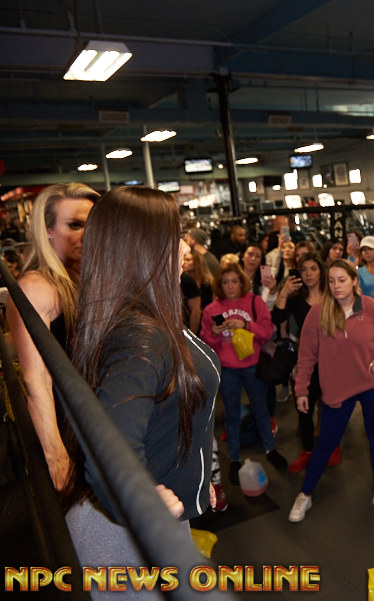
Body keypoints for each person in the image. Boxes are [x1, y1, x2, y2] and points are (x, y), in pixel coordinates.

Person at [64, 186, 220, 581]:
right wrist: (142, 503)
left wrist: (195, 476)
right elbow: (108, 452)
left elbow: (167, 408)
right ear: (144, 249)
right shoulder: (142, 335)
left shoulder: (150, 317)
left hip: (155, 523)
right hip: (128, 543)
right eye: (175, 235)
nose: (185, 246)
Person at [288, 259, 374, 522]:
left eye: (342, 280)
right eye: (332, 281)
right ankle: (305, 494)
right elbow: (306, 354)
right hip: (337, 389)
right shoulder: (318, 313)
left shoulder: (373, 308)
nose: (336, 286)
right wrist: (301, 389)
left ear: (355, 281)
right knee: (326, 443)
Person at [7, 182, 98, 492]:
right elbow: (37, 381)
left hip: (104, 422)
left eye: (91, 224)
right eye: (74, 225)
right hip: (74, 432)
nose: (87, 234)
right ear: (47, 232)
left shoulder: (86, 277)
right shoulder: (37, 287)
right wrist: (57, 458)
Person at [200, 263, 287, 483]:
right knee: (231, 415)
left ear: (241, 283)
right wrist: (214, 333)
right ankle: (235, 459)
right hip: (228, 369)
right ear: (219, 285)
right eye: (225, 282)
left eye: (234, 281)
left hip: (253, 366)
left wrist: (246, 325)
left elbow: (267, 332)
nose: (230, 286)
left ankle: (270, 448)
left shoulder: (255, 302)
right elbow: (206, 344)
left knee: (261, 409)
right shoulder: (211, 309)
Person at [270, 254, 329, 472]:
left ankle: (332, 446)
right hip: (307, 360)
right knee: (304, 407)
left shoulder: (332, 295)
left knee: (331, 406)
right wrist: (284, 291)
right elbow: (277, 318)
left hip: (333, 360)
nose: (308, 274)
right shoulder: (296, 299)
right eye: (304, 270)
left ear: (321, 271)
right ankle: (307, 450)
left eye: (313, 268)